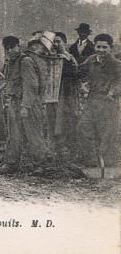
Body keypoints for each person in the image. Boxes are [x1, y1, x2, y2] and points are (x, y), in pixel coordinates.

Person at [0, 36, 49, 174]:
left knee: (33, 134)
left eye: (12, 47)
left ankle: (40, 165)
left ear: (18, 46)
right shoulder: (11, 62)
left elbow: (31, 86)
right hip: (14, 102)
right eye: (7, 48)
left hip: (28, 103)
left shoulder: (25, 61)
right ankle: (11, 163)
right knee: (14, 135)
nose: (10, 50)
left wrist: (25, 107)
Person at [75, 33, 121, 167]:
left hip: (108, 103)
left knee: (107, 132)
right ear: (94, 46)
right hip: (92, 102)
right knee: (83, 128)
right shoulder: (91, 60)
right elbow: (79, 71)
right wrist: (68, 58)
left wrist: (112, 92)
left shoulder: (116, 64)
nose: (101, 50)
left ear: (110, 48)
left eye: (104, 47)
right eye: (98, 47)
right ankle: (91, 161)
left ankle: (108, 165)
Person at [50, 32, 79, 160]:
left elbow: (76, 73)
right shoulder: (50, 58)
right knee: (52, 119)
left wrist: (66, 61)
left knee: (65, 119)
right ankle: (55, 149)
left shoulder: (69, 57)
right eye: (54, 42)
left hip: (66, 93)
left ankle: (69, 149)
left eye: (58, 42)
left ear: (65, 43)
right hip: (52, 93)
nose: (56, 44)